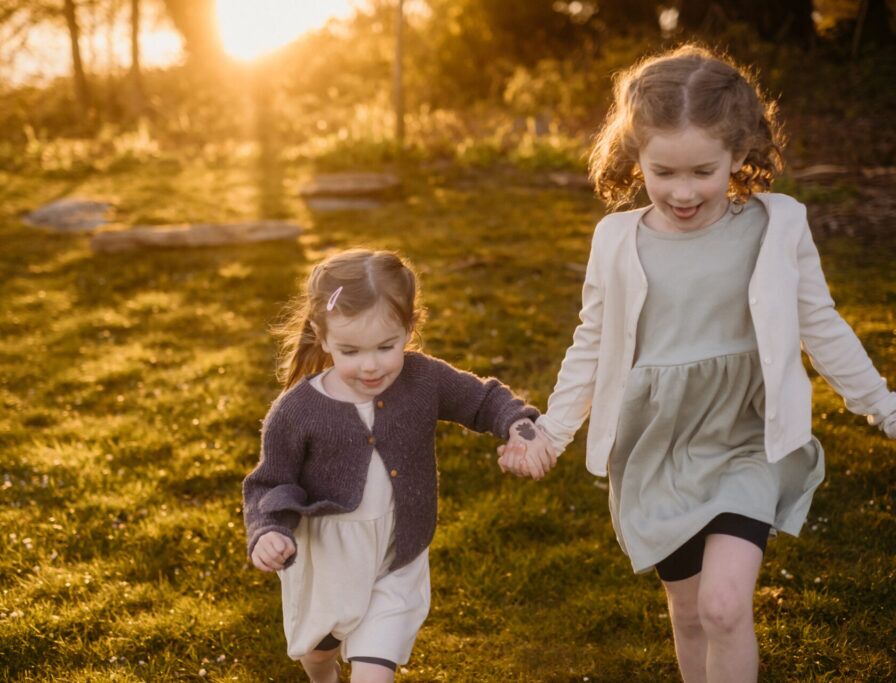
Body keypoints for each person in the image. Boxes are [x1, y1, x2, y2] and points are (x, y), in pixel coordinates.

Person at [500, 44, 896, 681]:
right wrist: (551, 431)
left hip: (745, 436)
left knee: (723, 607)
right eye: (664, 173)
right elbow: (592, 344)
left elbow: (821, 326)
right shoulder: (616, 240)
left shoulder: (778, 226)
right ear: (637, 158)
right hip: (657, 443)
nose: (683, 193)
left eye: (703, 172)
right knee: (687, 613)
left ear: (739, 153)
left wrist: (884, 406)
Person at [243, 249, 539, 683]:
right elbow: (270, 482)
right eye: (350, 350)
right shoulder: (296, 411)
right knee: (319, 655)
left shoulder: (423, 380)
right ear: (321, 337)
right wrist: (268, 530)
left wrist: (517, 424)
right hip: (327, 560)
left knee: (372, 672)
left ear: (409, 329)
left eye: (386, 346)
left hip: (397, 553)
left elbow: (482, 399)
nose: (370, 365)